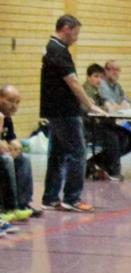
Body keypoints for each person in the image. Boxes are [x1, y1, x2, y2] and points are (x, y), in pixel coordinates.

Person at [40, 14, 105, 213]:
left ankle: (50, 198)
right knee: (78, 153)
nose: (76, 38)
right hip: (65, 111)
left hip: (56, 110)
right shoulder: (58, 50)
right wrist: (89, 105)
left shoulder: (52, 48)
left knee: (57, 154)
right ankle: (72, 198)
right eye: (75, 33)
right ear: (66, 28)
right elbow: (73, 82)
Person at [0, 85, 38, 223]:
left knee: (23, 158)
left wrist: (17, 147)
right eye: (10, 100)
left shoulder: (7, 118)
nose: (14, 105)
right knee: (6, 160)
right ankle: (9, 208)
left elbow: (12, 139)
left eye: (17, 102)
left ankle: (23, 204)